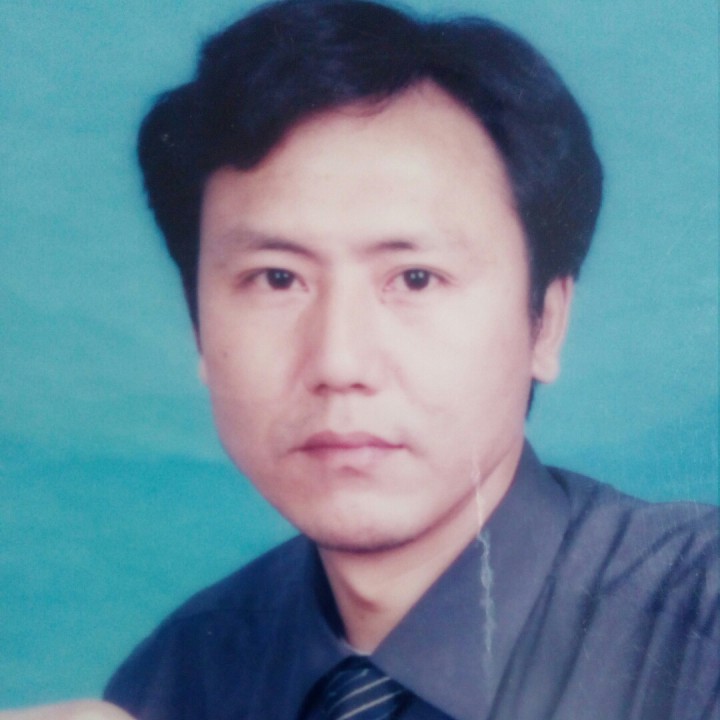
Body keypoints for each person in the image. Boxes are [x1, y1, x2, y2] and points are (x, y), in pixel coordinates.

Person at [13, 0, 717, 718]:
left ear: (546, 323)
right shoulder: (176, 679)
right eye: (277, 279)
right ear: (199, 327)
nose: (339, 361)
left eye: (415, 279)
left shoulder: (701, 625)